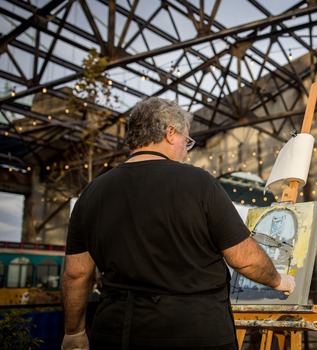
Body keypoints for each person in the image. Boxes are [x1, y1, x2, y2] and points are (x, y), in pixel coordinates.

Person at [61, 97, 295, 350]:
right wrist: (278, 280)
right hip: (195, 332)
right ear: (170, 133)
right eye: (187, 140)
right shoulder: (199, 183)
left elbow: (76, 273)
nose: (186, 148)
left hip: (118, 332)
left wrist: (73, 332)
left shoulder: (93, 191)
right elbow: (244, 257)